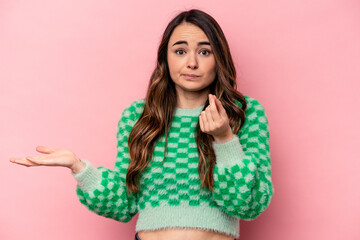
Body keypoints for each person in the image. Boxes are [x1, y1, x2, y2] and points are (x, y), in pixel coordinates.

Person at [9, 9, 274, 240]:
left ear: (219, 58)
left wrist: (225, 139)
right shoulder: (139, 116)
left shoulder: (244, 114)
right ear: (165, 58)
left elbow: (248, 205)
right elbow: (125, 202)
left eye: (204, 52)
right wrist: (79, 167)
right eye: (180, 51)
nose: (191, 62)